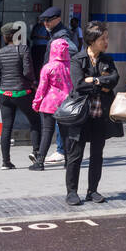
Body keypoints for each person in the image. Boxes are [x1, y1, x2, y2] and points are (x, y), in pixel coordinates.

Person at [64, 23, 121, 206]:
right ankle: (72, 192)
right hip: (81, 115)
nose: (106, 41)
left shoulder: (107, 59)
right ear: (91, 40)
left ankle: (92, 190)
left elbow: (114, 80)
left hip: (100, 114)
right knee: (76, 154)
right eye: (102, 38)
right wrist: (101, 84)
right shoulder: (77, 59)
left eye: (106, 37)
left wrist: (94, 79)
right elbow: (79, 84)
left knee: (97, 154)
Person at [0, 22, 39, 169]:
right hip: (22, 92)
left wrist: (3, 87)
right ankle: (36, 153)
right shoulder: (23, 49)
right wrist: (33, 82)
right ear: (16, 36)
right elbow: (28, 72)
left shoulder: (0, 52)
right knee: (35, 121)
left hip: (4, 94)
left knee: (6, 127)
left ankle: (5, 162)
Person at [30, 39, 73, 170]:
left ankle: (40, 161)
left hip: (50, 104)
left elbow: (42, 88)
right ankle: (68, 162)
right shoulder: (71, 66)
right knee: (66, 133)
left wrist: (36, 103)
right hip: (66, 104)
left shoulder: (48, 67)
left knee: (47, 132)